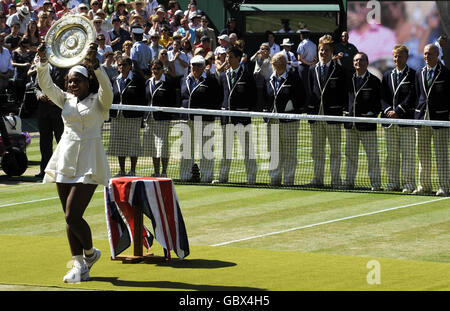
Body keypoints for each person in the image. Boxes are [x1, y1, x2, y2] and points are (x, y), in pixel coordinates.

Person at [36, 42, 113, 283]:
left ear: (87, 82)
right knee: (67, 216)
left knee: (72, 215)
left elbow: (108, 91)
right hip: (65, 158)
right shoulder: (65, 99)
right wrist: (43, 61)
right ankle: (81, 264)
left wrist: (96, 66)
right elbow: (46, 84)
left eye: (77, 80)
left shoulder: (100, 103)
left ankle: (90, 254)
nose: (72, 84)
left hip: (90, 160)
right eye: (69, 81)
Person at [307, 37, 347, 188]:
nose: (323, 52)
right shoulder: (312, 69)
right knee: (317, 151)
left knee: (335, 151)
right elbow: (311, 91)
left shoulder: (340, 70)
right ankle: (317, 179)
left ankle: (336, 180)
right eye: (321, 50)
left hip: (333, 116)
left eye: (326, 50)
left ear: (332, 52)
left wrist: (339, 109)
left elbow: (343, 93)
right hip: (316, 116)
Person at [413, 44, 450, 196]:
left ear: (437, 55)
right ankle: (424, 186)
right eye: (425, 54)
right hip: (422, 119)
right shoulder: (419, 73)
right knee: (422, 155)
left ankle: (445, 187)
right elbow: (418, 95)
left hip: (439, 119)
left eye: (430, 54)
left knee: (442, 155)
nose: (427, 56)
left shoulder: (446, 73)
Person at [179, 55, 222, 182]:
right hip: (186, 119)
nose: (195, 67)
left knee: (206, 149)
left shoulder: (211, 80)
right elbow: (182, 98)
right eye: (193, 65)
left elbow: (217, 99)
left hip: (205, 120)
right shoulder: (184, 80)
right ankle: (185, 175)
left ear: (204, 67)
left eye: (198, 65)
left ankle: (207, 176)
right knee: (186, 149)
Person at [263, 52, 304, 186]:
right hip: (272, 121)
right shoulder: (269, 79)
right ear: (273, 65)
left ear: (285, 64)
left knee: (290, 152)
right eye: (276, 63)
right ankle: (274, 179)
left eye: (282, 63)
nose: (279, 65)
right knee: (274, 152)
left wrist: (292, 108)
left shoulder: (294, 78)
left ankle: (288, 180)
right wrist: (266, 115)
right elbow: (265, 99)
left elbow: (301, 98)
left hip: (289, 121)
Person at [218, 46, 257, 184]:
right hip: (226, 119)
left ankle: (251, 178)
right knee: (225, 151)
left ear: (239, 59)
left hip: (242, 119)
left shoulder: (247, 75)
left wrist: (244, 110)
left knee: (247, 150)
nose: (228, 59)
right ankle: (222, 177)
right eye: (227, 56)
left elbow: (254, 97)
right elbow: (221, 96)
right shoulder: (223, 75)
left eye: (231, 57)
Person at [380, 44, 416, 193]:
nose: (397, 59)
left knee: (408, 155)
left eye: (400, 56)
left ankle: (408, 184)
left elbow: (412, 96)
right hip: (390, 122)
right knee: (392, 155)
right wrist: (388, 110)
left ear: (406, 57)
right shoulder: (387, 75)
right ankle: (392, 183)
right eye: (395, 56)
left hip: (406, 121)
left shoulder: (413, 74)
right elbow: (382, 96)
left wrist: (399, 111)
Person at [344, 52, 382, 191]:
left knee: (372, 157)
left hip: (368, 126)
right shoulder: (348, 79)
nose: (358, 63)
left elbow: (378, 103)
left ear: (367, 62)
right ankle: (348, 182)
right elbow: (345, 99)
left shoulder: (374, 81)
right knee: (350, 156)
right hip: (350, 125)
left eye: (361, 60)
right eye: (355, 60)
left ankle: (376, 184)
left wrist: (371, 114)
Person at [108, 55, 146, 177]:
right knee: (119, 144)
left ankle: (133, 170)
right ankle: (122, 170)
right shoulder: (114, 79)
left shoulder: (138, 80)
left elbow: (142, 99)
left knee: (132, 143)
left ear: (130, 66)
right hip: (117, 117)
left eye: (125, 65)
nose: (122, 67)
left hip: (133, 117)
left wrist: (140, 117)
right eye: (120, 65)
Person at [143, 58, 176, 177]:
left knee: (162, 146)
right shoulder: (148, 82)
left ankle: (164, 172)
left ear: (162, 69)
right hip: (149, 118)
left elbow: (172, 100)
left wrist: (168, 114)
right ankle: (156, 171)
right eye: (153, 68)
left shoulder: (168, 82)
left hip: (162, 118)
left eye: (158, 68)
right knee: (152, 146)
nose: (155, 70)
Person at [34, 62, 67, 178]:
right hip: (43, 113)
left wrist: (57, 99)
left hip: (58, 112)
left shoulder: (64, 68)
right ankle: (45, 171)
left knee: (62, 141)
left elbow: (68, 88)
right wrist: (40, 95)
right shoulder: (42, 68)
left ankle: (62, 171)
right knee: (44, 143)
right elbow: (36, 87)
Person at [11, 37, 33, 111]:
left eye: (27, 46)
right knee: (18, 93)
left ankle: (26, 109)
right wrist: (23, 65)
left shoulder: (29, 52)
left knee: (26, 93)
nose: (25, 48)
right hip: (19, 75)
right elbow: (13, 64)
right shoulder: (15, 52)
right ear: (20, 44)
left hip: (27, 75)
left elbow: (32, 62)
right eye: (24, 46)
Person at [250, 42, 272, 111]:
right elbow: (251, 59)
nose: (263, 50)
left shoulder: (269, 58)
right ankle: (255, 106)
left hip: (263, 77)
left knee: (261, 92)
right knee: (255, 91)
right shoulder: (258, 56)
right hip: (256, 76)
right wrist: (257, 53)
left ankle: (260, 107)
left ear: (268, 50)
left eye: (265, 49)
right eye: (262, 49)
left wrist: (265, 55)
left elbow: (267, 63)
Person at [296, 28, 317, 97]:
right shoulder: (314, 44)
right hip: (312, 67)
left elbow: (299, 58)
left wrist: (308, 64)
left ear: (302, 35)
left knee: (304, 86)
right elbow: (316, 58)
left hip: (303, 68)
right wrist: (311, 64)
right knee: (311, 85)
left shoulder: (301, 44)